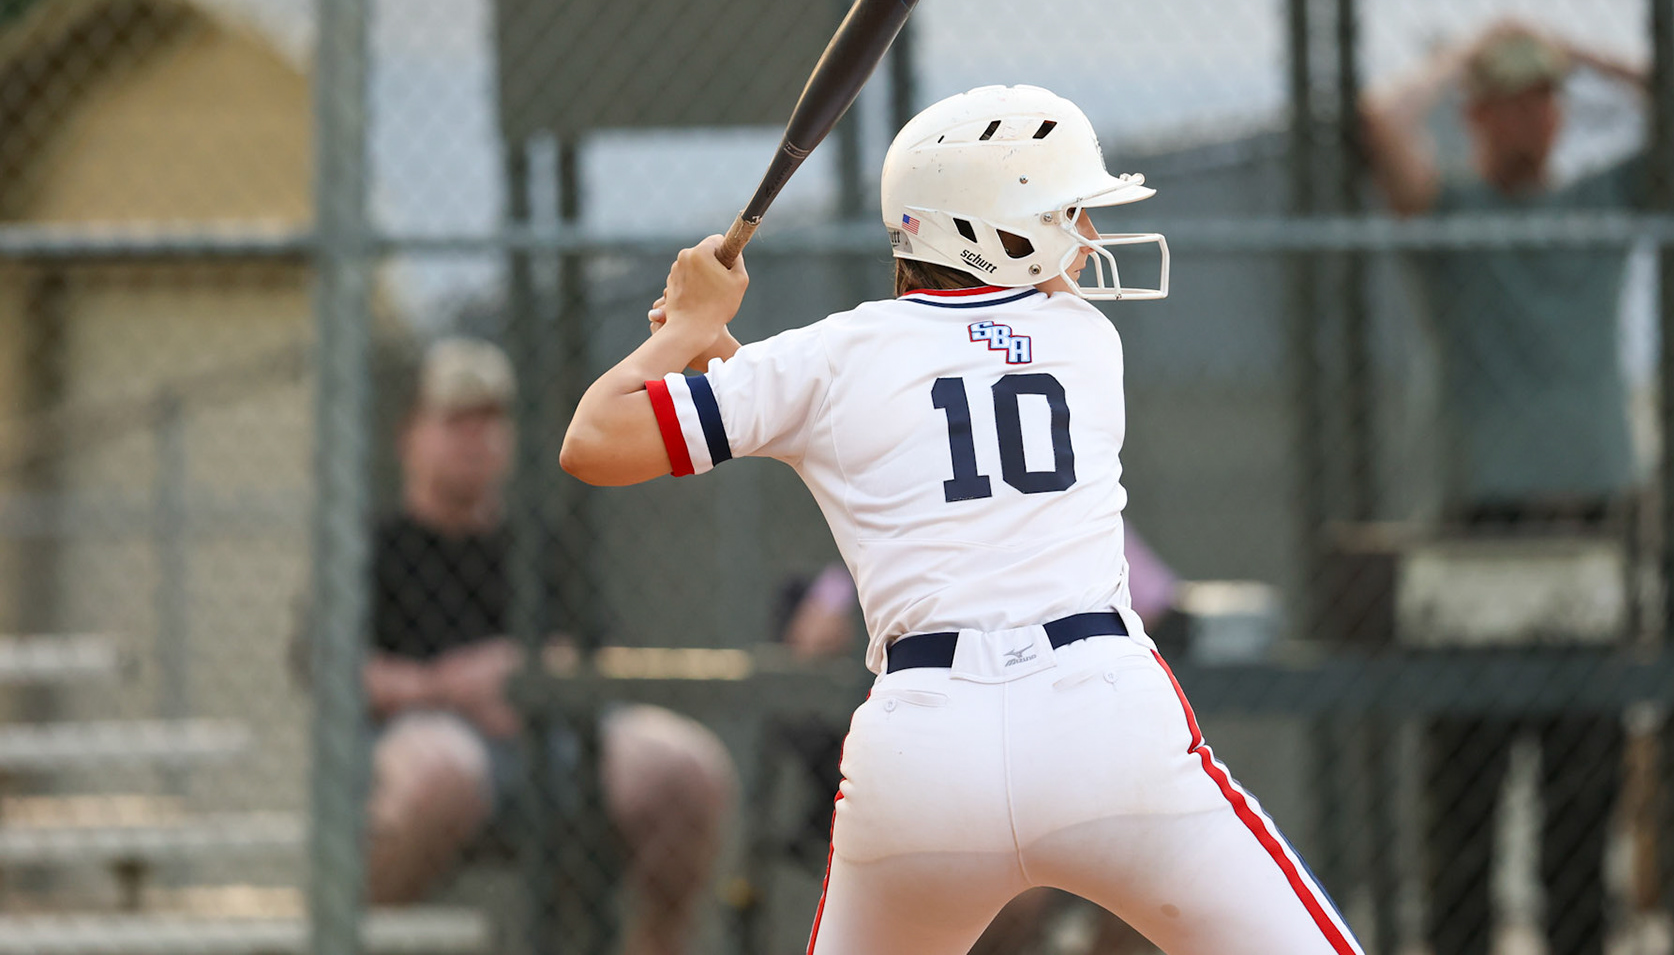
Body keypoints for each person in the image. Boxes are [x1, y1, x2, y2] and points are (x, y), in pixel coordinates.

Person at [562, 84, 1362, 955]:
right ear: (994, 233)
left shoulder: (830, 357)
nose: (1086, 241)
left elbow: (595, 440)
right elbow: (930, 394)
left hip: (926, 747)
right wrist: (720, 349)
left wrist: (683, 329)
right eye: (1064, 216)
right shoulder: (1084, 339)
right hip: (1102, 719)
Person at [1361, 22, 1651, 955]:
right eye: (1513, 100)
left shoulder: (1601, 203)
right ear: (1477, 115)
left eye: (1547, 99)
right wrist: (1463, 54)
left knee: (1581, 805)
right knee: (1464, 804)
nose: (1534, 119)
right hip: (1477, 533)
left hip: (1588, 533)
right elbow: (1376, 118)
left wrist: (1570, 43)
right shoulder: (1448, 210)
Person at [363, 338, 735, 955]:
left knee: (686, 770)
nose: (475, 438)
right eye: (456, 420)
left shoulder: (538, 543)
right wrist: (449, 687)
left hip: (553, 737)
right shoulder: (377, 546)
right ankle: (348, 935)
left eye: (490, 421)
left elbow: (598, 660)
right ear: (410, 436)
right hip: (419, 738)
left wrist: (527, 675)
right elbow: (338, 670)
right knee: (441, 769)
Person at [780, 524, 1182, 955]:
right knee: (1016, 890)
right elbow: (811, 636)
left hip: (1060, 754)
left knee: (1154, 880)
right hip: (944, 762)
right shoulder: (920, 527)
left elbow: (1162, 604)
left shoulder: (1075, 521)